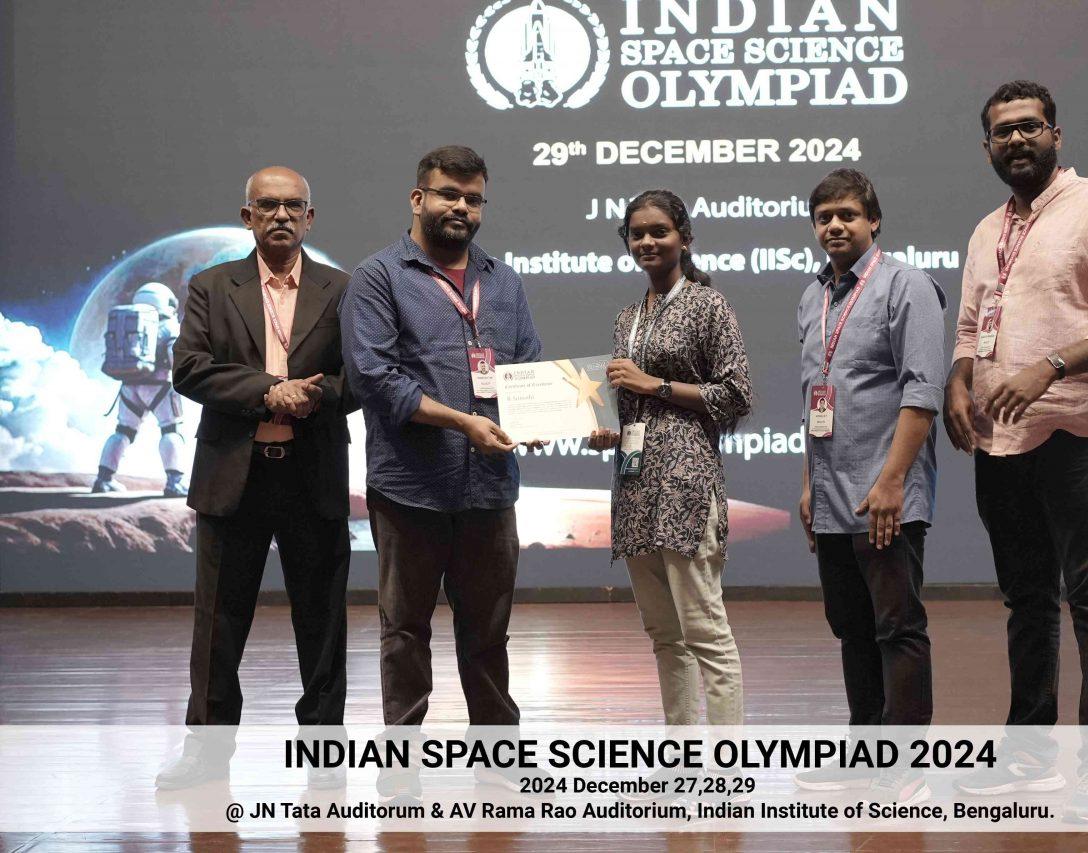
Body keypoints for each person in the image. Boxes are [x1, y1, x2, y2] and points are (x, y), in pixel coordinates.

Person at [945, 81, 1088, 823]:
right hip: (1001, 439)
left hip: (1083, 430)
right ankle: (1029, 754)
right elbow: (971, 326)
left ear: (1056, 136)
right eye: (1002, 131)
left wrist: (1050, 366)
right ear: (987, 146)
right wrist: (958, 380)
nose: (1016, 139)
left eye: (1029, 127)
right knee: (1027, 601)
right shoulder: (986, 230)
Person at [340, 146, 544, 798]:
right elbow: (375, 379)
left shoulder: (503, 281)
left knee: (488, 634)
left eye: (473, 198)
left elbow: (525, 369)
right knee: (405, 632)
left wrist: (542, 416)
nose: (461, 207)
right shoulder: (378, 277)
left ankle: (500, 758)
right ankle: (401, 768)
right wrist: (464, 423)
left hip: (490, 489)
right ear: (417, 198)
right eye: (448, 194)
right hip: (410, 490)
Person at [158, 167, 354, 790]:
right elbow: (189, 369)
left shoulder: (342, 288)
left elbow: (361, 377)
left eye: (293, 206)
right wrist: (271, 390)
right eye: (267, 206)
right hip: (232, 475)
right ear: (248, 217)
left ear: (310, 218)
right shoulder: (212, 286)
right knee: (218, 621)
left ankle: (324, 755)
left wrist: (315, 395)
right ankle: (207, 754)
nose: (281, 216)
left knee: (322, 620)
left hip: (312, 473)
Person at [790, 169, 946, 806]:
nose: (835, 226)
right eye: (824, 217)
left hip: (886, 497)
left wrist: (892, 481)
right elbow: (815, 399)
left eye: (847, 215)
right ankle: (865, 753)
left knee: (896, 627)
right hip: (831, 498)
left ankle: (906, 763)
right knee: (851, 629)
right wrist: (809, 482)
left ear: (873, 221)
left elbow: (923, 391)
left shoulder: (907, 285)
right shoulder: (813, 297)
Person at [588, 189, 752, 739]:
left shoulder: (709, 305)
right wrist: (608, 430)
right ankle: (681, 753)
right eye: (637, 233)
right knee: (664, 635)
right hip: (635, 486)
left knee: (705, 631)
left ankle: (727, 761)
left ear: (684, 237)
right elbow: (629, 403)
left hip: (686, 484)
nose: (647, 241)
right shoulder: (627, 317)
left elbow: (736, 395)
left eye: (659, 231)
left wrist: (653, 384)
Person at [93, 281, 188, 497]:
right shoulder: (169, 327)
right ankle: (174, 482)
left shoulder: (129, 323)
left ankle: (103, 479)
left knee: (123, 431)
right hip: (159, 387)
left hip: (129, 385)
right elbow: (176, 359)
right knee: (170, 430)